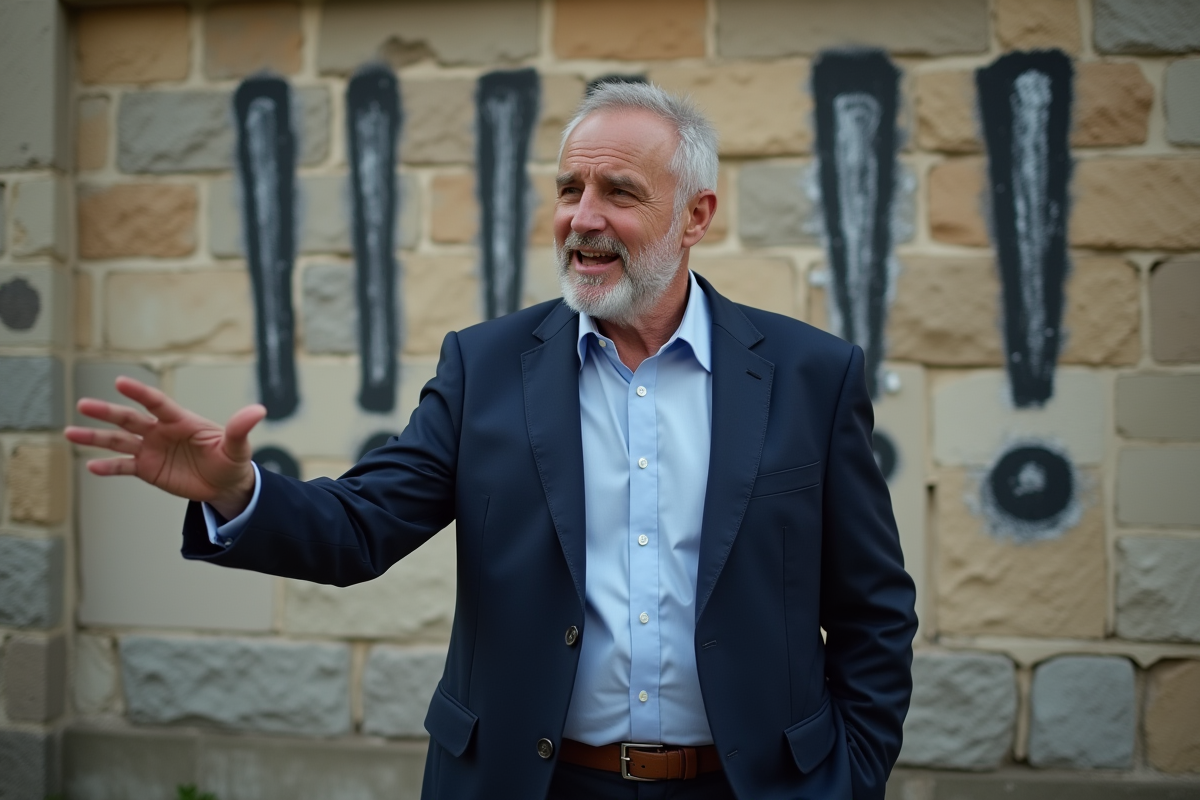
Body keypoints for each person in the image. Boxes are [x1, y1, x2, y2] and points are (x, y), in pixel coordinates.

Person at [67, 82, 917, 800]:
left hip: (751, 786)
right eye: (568, 190)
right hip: (531, 781)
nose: (582, 218)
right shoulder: (486, 367)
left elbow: (872, 609)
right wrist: (236, 494)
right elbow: (361, 527)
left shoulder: (811, 375)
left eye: (619, 193)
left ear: (695, 216)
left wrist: (851, 777)